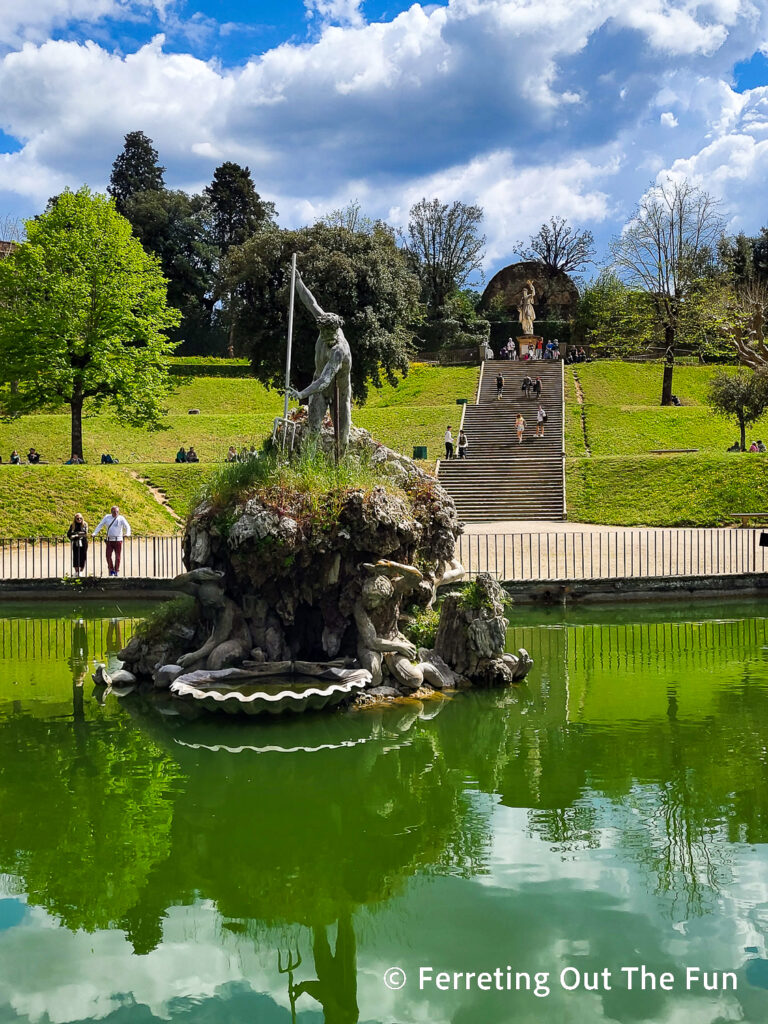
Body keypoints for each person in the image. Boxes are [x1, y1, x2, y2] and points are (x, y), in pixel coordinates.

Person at [92, 505, 132, 577]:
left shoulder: (121, 518)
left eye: (117, 511)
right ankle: (111, 569)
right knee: (108, 555)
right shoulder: (107, 517)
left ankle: (116, 570)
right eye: (114, 511)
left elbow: (127, 526)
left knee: (118, 556)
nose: (116, 513)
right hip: (109, 540)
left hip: (118, 540)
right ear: (111, 512)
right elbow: (100, 525)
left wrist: (127, 533)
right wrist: (95, 533)